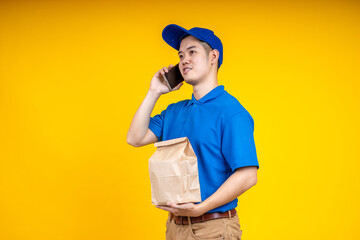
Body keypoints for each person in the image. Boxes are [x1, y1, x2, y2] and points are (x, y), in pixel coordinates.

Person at [127, 24, 259, 240]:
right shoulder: (174, 111)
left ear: (213, 56)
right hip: (175, 228)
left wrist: (201, 208)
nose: (184, 60)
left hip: (213, 228)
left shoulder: (232, 112)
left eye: (192, 52)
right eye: (180, 55)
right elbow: (135, 138)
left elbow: (248, 175)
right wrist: (154, 92)